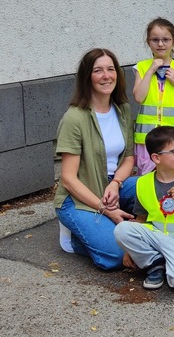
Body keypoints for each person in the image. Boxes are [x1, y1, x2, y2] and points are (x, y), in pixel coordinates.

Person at [54, 48, 137, 270]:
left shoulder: (123, 110)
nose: (106, 75)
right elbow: (69, 179)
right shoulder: (75, 117)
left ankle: (107, 225)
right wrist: (105, 209)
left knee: (155, 188)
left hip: (111, 186)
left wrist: (116, 184)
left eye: (111, 69)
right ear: (87, 77)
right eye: (98, 70)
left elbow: (129, 157)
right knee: (120, 255)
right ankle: (73, 237)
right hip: (77, 196)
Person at [114, 126, 174, 290]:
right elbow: (140, 220)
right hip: (156, 240)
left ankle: (168, 263)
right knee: (122, 229)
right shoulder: (143, 183)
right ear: (156, 158)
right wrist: (129, 250)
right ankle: (155, 264)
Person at [133, 17, 174, 175]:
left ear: (173, 41)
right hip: (147, 141)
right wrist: (150, 71)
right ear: (148, 42)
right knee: (149, 181)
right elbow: (139, 97)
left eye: (166, 39)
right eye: (155, 40)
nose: (160, 44)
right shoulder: (142, 67)